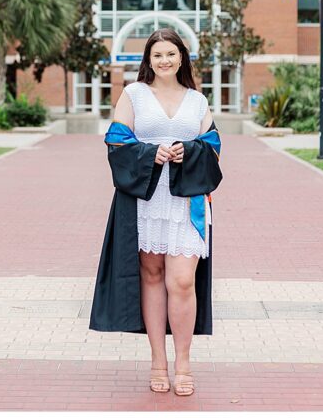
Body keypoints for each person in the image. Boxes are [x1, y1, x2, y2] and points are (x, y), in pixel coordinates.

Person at [90, 28, 222, 397]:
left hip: (187, 201)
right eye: (157, 55)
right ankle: (157, 362)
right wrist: (152, 154)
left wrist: (187, 152)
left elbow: (213, 145)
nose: (164, 60)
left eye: (171, 53)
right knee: (151, 276)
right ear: (148, 60)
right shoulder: (134, 95)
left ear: (182, 57)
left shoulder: (197, 100)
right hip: (145, 200)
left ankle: (183, 363)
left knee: (181, 281)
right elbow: (117, 141)